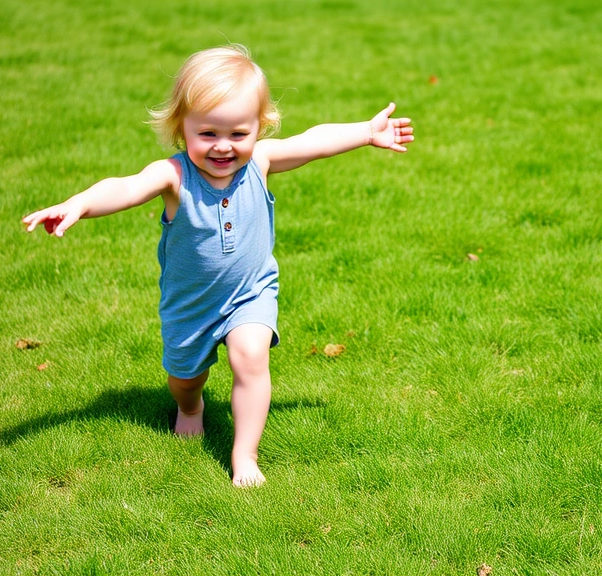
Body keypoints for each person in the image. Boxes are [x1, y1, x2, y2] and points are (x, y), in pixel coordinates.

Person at [21, 44, 414, 487]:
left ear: (258, 129)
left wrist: (365, 131)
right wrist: (79, 204)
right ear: (180, 128)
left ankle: (244, 455)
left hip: (250, 292)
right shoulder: (173, 176)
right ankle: (191, 407)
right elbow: (126, 187)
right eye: (207, 134)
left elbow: (311, 142)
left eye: (238, 134)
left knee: (251, 357)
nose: (223, 147)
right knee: (185, 379)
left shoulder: (261, 162)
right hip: (190, 304)